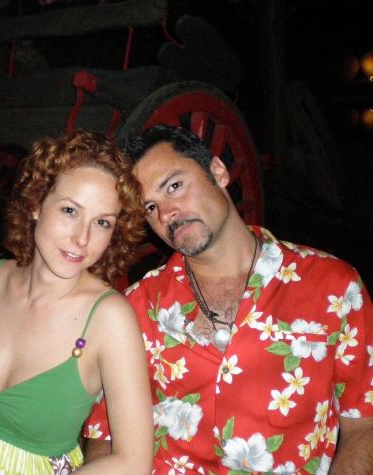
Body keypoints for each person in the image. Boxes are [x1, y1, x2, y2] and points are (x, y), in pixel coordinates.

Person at [82, 124, 373, 474]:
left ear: (218, 171)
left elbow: (364, 425)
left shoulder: (334, 287)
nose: (167, 214)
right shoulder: (134, 310)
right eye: (150, 207)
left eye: (174, 186)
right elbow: (105, 436)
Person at [0, 130, 154, 475]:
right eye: (70, 210)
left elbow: (134, 461)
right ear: (36, 203)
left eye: (102, 223)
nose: (82, 238)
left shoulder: (110, 318)